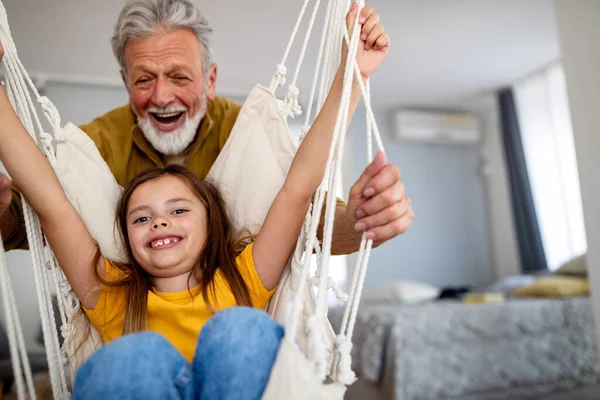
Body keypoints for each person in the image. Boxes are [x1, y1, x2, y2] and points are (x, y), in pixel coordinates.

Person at [0, 3, 392, 399]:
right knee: (131, 358)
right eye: (140, 218)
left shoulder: (242, 281)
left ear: (211, 226)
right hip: (139, 382)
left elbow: (297, 188)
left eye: (179, 210)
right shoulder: (111, 295)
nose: (159, 222)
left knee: (241, 331)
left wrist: (353, 76)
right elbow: (49, 201)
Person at [0, 0, 414, 257]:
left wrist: (361, 221)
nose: (162, 97)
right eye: (144, 80)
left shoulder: (248, 136)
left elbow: (307, 212)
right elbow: (33, 216)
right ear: (126, 83)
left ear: (210, 79)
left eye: (179, 77)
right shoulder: (93, 147)